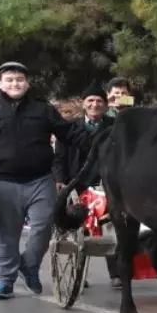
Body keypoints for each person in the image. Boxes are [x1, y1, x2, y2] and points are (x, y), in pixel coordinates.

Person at [0, 62, 91, 300]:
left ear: (27, 83)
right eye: (9, 80)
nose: (14, 83)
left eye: (19, 79)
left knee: (45, 225)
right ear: (0, 84)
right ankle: (4, 281)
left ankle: (28, 266)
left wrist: (99, 141)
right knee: (4, 233)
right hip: (0, 182)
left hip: (40, 180)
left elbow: (69, 133)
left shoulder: (43, 110)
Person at [53, 82, 120, 287]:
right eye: (90, 100)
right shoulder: (69, 127)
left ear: (106, 105)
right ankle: (79, 273)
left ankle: (116, 272)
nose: (95, 105)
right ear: (83, 103)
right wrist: (60, 180)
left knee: (110, 225)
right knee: (78, 227)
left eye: (100, 101)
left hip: (106, 182)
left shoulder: (114, 126)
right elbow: (59, 157)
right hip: (77, 182)